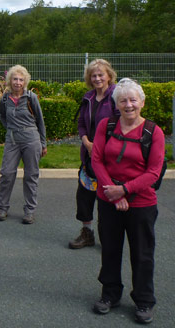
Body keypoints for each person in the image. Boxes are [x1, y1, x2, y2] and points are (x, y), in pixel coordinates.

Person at [91, 78, 164, 324]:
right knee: (110, 249)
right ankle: (110, 294)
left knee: (142, 254)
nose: (129, 104)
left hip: (141, 202)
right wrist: (112, 191)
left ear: (142, 102)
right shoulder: (106, 125)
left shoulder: (154, 132)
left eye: (133, 100)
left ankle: (144, 300)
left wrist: (124, 190)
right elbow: (97, 160)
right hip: (108, 198)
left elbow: (154, 172)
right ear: (117, 104)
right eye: (123, 100)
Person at [69, 59, 119, 249]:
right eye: (94, 75)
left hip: (109, 157)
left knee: (108, 198)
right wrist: (86, 142)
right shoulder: (88, 97)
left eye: (101, 75)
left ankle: (110, 238)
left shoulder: (116, 95)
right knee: (84, 197)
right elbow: (82, 124)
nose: (97, 78)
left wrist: (99, 147)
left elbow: (118, 126)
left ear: (109, 75)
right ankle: (87, 233)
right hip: (88, 155)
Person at [0, 65, 47, 224]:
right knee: (7, 173)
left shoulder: (31, 97)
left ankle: (29, 211)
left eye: (21, 79)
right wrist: (11, 129)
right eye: (15, 79)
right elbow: (2, 116)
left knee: (31, 175)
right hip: (12, 139)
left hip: (31, 138)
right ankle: (2, 207)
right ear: (10, 80)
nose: (17, 82)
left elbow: (40, 121)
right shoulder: (5, 98)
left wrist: (43, 143)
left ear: (25, 81)